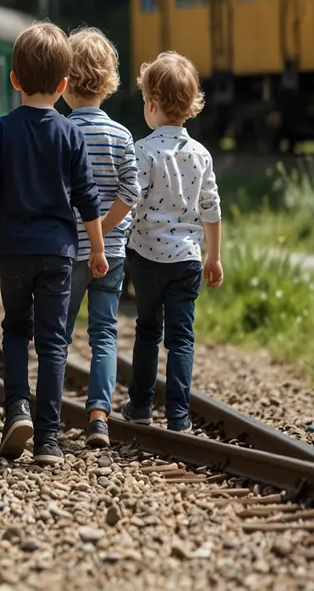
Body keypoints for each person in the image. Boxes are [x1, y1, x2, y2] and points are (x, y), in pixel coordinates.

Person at [0, 21, 107, 465]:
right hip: (59, 254)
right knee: (52, 344)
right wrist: (99, 248)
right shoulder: (70, 133)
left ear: (14, 80)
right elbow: (87, 198)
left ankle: (16, 412)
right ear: (64, 85)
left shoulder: (0, 131)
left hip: (13, 251)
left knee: (14, 329)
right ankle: (48, 440)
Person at [102, 51, 224, 432]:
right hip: (187, 260)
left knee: (148, 331)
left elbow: (129, 198)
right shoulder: (201, 155)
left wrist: (101, 230)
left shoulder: (144, 150)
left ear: (152, 105)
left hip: (146, 258)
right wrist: (214, 257)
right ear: (191, 107)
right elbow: (211, 209)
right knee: (181, 339)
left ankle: (139, 406)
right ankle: (178, 416)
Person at [62, 27, 141, 450]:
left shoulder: (60, 132)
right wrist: (105, 231)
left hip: (69, 251)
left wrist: (88, 232)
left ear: (64, 83)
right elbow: (132, 191)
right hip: (110, 254)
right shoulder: (121, 135)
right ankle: (98, 417)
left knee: (58, 333)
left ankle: (49, 416)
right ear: (109, 81)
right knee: (105, 334)